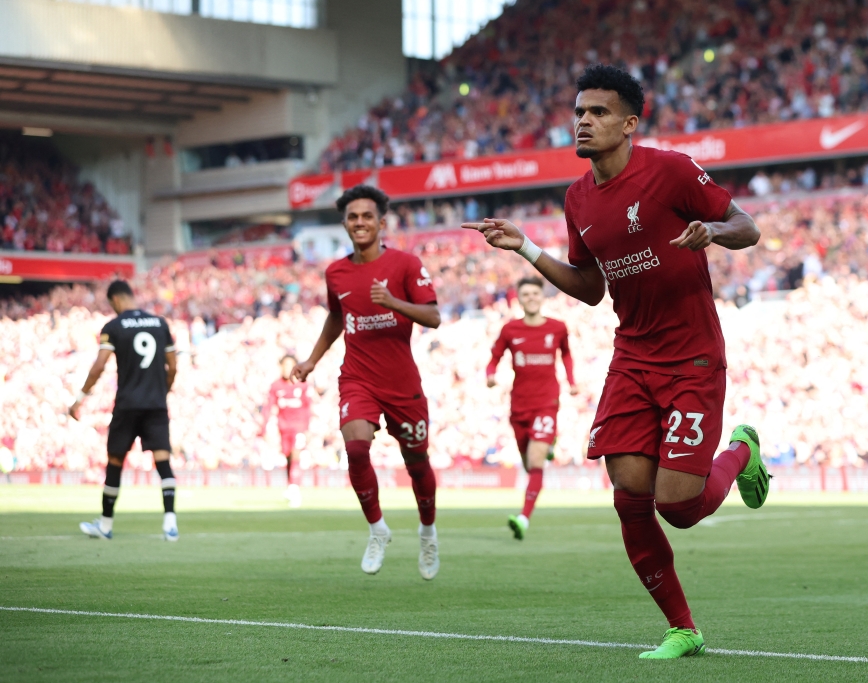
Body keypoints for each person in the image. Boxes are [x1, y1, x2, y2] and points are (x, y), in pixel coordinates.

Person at [463, 64, 771, 660]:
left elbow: (748, 227)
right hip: (632, 355)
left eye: (598, 112)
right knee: (629, 495)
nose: (583, 120)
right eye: (579, 111)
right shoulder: (577, 197)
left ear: (630, 123)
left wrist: (710, 229)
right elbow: (589, 287)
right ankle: (683, 627)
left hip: (693, 356)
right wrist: (526, 247)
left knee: (678, 508)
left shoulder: (672, 170)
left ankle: (741, 452)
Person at [293, 185, 442, 580]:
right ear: (345, 223)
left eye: (367, 216)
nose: (360, 222)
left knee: (417, 463)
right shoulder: (336, 272)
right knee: (356, 447)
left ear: (381, 222)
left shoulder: (406, 265)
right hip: (357, 378)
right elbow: (336, 318)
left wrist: (393, 303)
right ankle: (378, 528)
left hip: (402, 383)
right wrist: (310, 360)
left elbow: (433, 317)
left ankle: (427, 532)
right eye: (353, 217)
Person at [70, 280, 179, 541]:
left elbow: (98, 367)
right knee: (163, 461)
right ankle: (170, 524)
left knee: (115, 463)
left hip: (128, 404)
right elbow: (172, 367)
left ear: (115, 300)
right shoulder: (160, 324)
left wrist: (80, 398)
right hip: (155, 404)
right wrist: (164, 391)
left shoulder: (114, 327)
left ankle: (105, 526)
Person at [486, 276, 577, 539]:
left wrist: (571, 381)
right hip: (519, 406)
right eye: (526, 294)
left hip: (546, 403)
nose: (531, 298)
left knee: (535, 461)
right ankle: (547, 444)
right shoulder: (510, 329)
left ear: (542, 297)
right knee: (529, 463)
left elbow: (567, 354)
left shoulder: (558, 328)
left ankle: (523, 518)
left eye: (535, 294)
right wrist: (490, 374)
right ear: (519, 298)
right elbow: (494, 357)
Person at [260, 354, 313, 508]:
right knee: (288, 457)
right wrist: (264, 428)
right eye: (284, 365)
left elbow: (308, 407)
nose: (287, 368)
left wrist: (308, 428)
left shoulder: (303, 385)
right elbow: (269, 407)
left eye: (290, 365)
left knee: (296, 453)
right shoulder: (276, 386)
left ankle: (294, 488)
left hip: (299, 426)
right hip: (283, 428)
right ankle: (292, 487)